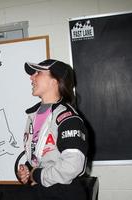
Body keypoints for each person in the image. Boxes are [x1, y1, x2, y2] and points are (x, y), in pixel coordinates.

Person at [17, 59, 89, 200]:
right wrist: (28, 169)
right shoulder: (33, 115)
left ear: (55, 81)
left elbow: (72, 165)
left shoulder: (68, 119)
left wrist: (37, 175)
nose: (32, 77)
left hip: (63, 193)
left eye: (38, 73)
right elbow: (41, 157)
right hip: (39, 192)